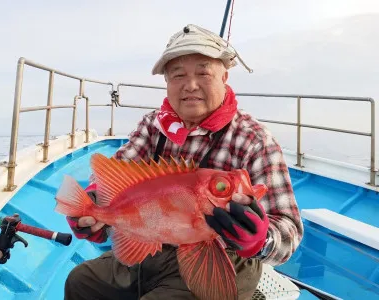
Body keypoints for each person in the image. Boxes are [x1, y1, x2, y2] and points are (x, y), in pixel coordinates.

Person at [63, 24, 304, 300]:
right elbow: (115, 175)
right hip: (153, 246)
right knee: (80, 282)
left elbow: (289, 230)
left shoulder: (254, 140)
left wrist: (261, 239)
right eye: (178, 76)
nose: (190, 85)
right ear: (167, 83)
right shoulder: (154, 126)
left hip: (220, 259)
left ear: (224, 77)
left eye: (203, 73)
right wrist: (93, 208)